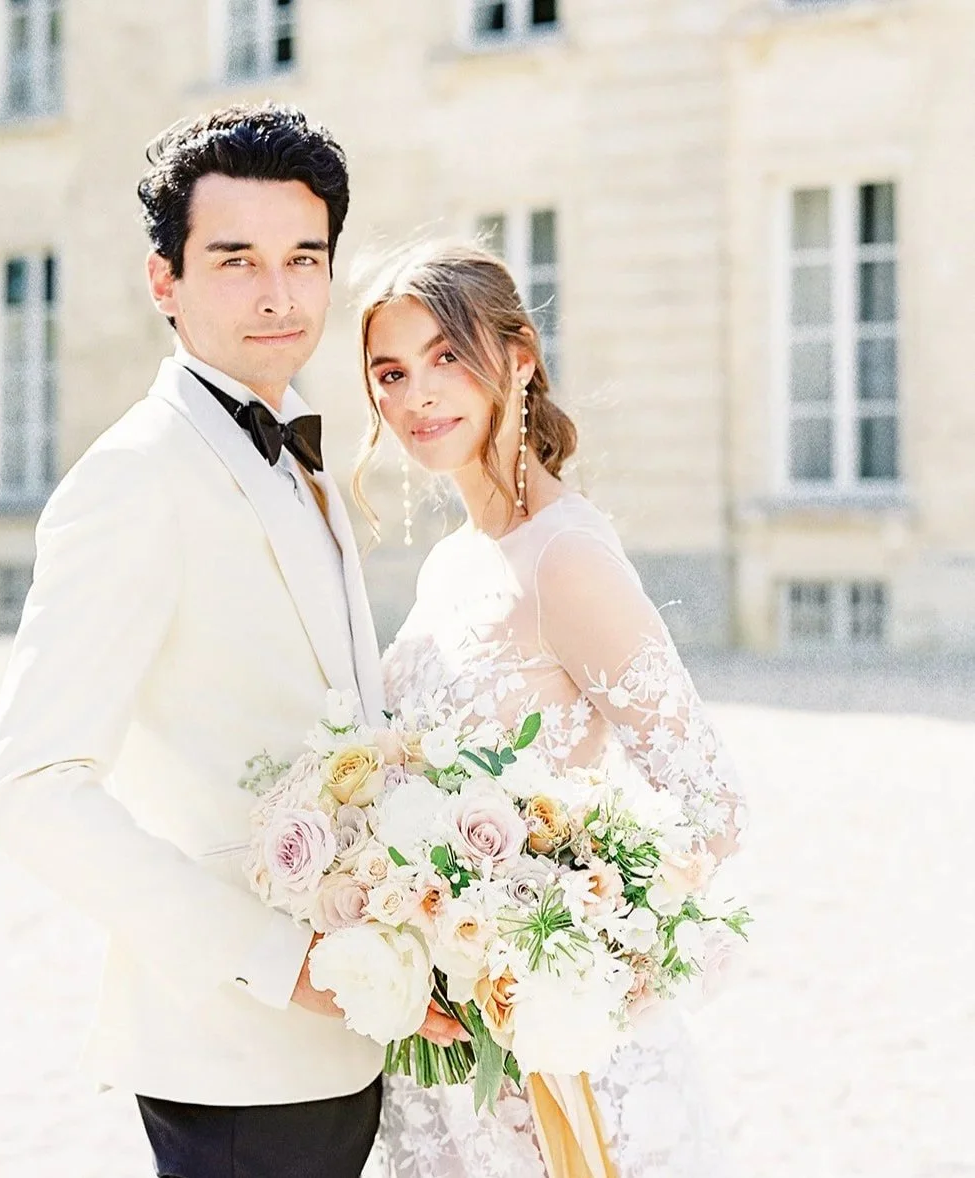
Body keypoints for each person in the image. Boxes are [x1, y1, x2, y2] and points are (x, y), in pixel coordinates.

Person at [0, 103, 461, 1178]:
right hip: (233, 1054)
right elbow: (30, 787)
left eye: (302, 257)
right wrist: (283, 962)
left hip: (348, 1039)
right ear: (166, 281)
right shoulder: (132, 477)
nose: (277, 292)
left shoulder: (305, 452)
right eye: (234, 258)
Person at [354, 241, 749, 1178]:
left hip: (556, 1059)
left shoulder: (566, 558)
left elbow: (710, 802)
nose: (418, 395)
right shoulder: (452, 561)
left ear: (518, 357)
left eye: (446, 357)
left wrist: (559, 949)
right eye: (391, 372)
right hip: (446, 1050)